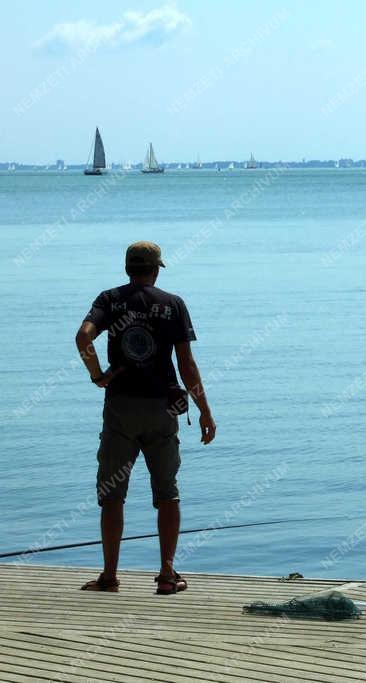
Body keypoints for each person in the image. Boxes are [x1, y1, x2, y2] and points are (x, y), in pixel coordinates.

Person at [75, 241, 216, 594]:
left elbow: (83, 337)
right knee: (167, 492)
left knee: (112, 494)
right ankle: (167, 576)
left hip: (121, 406)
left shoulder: (109, 300)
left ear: (127, 268)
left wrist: (97, 374)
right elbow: (187, 365)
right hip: (162, 407)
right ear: (155, 270)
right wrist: (204, 411)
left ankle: (109, 576)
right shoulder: (172, 304)